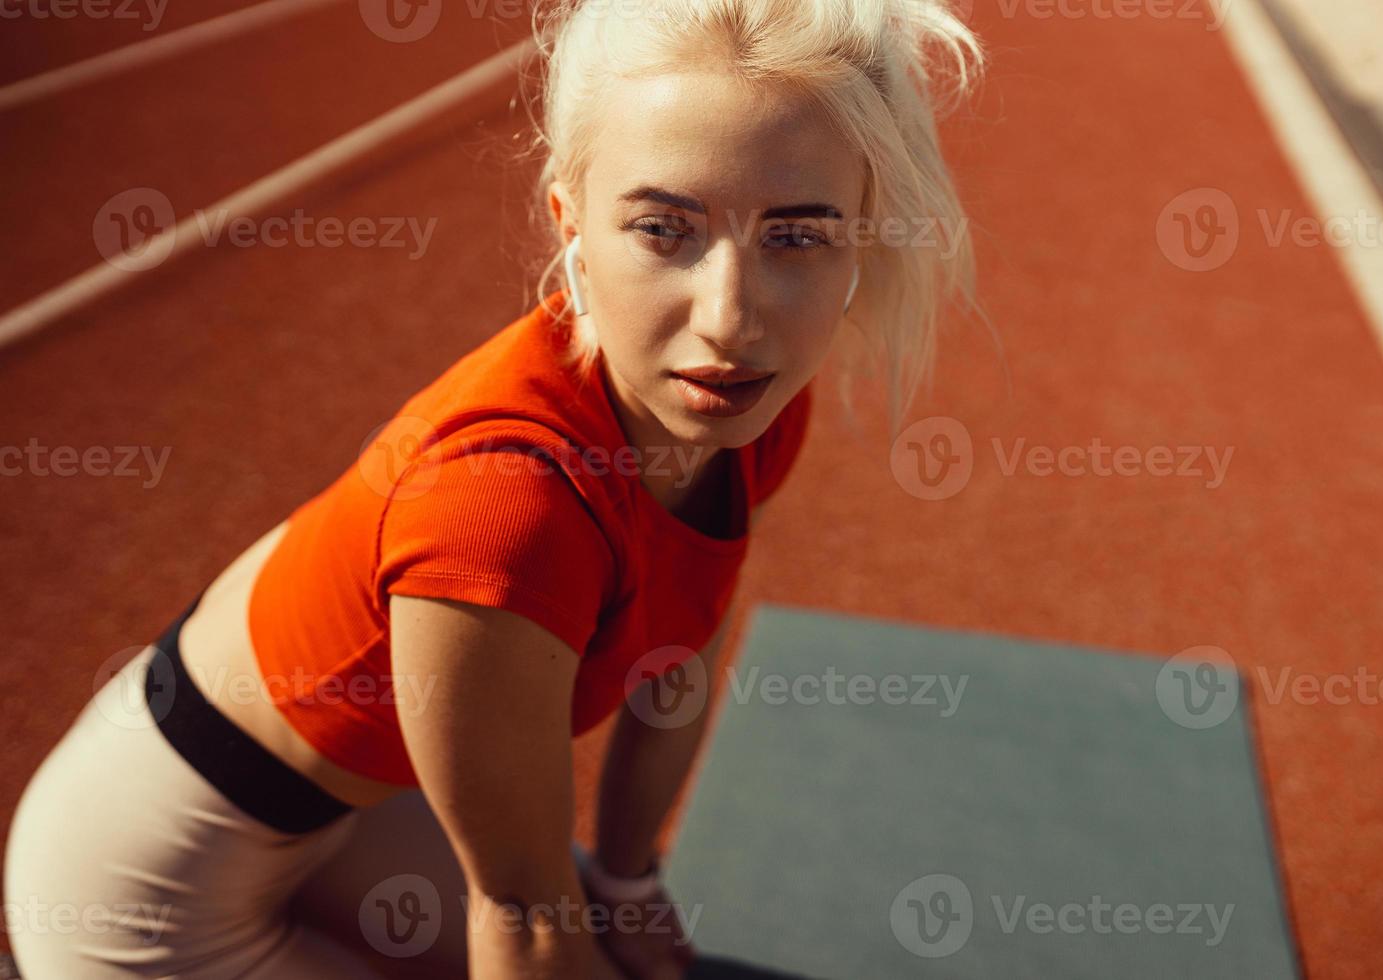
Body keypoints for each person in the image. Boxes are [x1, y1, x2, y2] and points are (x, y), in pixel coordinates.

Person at [2, 0, 986, 976]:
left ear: (863, 231)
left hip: (353, 819)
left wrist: (630, 881)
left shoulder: (742, 404)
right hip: (145, 888)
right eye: (663, 229)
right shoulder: (500, 511)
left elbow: (683, 647)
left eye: (796, 236)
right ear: (572, 223)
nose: (730, 319)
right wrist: (578, 910)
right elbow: (520, 916)